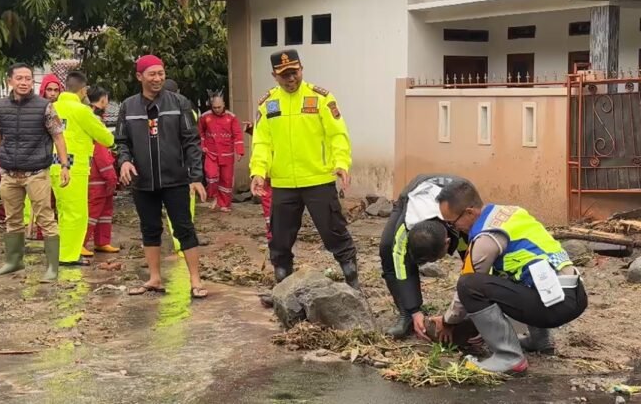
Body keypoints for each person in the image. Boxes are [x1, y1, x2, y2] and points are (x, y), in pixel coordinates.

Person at [408, 181, 587, 374]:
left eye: (452, 222)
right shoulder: (510, 213)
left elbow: (468, 286)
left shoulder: (486, 237)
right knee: (520, 275)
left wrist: (447, 321)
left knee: (469, 285)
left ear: (469, 212)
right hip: (574, 293)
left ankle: (509, 357)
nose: (454, 229)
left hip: (555, 306)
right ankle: (540, 341)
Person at [249, 49, 359, 288]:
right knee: (279, 238)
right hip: (283, 183)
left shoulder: (321, 98)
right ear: (274, 76)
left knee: (334, 232)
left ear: (302, 70)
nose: (291, 79)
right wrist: (258, 171)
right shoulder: (268, 104)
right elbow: (261, 143)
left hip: (318, 180)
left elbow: (337, 135)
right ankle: (282, 283)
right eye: (284, 75)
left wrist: (341, 163)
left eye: (294, 73)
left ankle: (351, 277)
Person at [0, 63, 70, 283]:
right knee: (13, 219)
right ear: (10, 81)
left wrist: (64, 165)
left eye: (28, 79)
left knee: (46, 218)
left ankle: (52, 268)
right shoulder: (1, 107)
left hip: (37, 172)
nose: (24, 82)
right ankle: (13, 261)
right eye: (20, 78)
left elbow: (58, 136)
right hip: (9, 172)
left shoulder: (45, 107)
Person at [115, 54, 208, 298]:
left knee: (184, 229)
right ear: (139, 76)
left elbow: (192, 142)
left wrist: (196, 176)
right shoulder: (128, 107)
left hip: (175, 179)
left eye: (160, 73)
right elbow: (121, 142)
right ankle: (154, 278)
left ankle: (196, 281)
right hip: (143, 181)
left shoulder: (179, 103)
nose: (157, 78)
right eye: (152, 74)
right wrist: (124, 161)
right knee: (150, 228)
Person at [380, 174, 471, 339]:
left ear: (447, 242)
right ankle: (406, 315)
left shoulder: (464, 221)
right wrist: (414, 310)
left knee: (474, 265)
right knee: (387, 251)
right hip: (410, 196)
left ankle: (473, 317)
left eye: (433, 259)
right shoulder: (406, 226)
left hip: (454, 198)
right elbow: (400, 262)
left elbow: (475, 265)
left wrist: (459, 315)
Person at [51, 71, 115, 266]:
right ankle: (68, 256)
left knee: (62, 211)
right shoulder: (82, 111)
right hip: (74, 166)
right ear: (84, 90)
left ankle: (63, 251)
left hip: (52, 164)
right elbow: (107, 138)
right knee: (77, 213)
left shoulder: (51, 107)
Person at [24, 73, 63, 240]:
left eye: (56, 90)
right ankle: (34, 231)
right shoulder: (36, 108)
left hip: (57, 161)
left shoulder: (62, 110)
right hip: (38, 161)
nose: (53, 93)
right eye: (49, 89)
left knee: (55, 204)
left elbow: (60, 137)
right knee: (38, 201)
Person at [161, 78, 198, 255]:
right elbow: (193, 141)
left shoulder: (153, 110)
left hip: (163, 168)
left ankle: (178, 243)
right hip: (183, 168)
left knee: (170, 212)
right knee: (184, 209)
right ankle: (183, 245)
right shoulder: (187, 110)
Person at [83, 86, 120, 256]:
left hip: (99, 174)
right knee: (93, 211)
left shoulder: (91, 115)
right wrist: (110, 174)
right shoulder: (93, 119)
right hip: (97, 175)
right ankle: (81, 242)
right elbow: (100, 149)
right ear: (103, 99)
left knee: (105, 211)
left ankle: (102, 241)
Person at [199, 90, 244, 212]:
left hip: (227, 154)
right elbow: (200, 132)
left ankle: (224, 204)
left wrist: (239, 151)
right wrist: (202, 145)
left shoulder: (231, 117)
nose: (217, 109)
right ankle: (214, 197)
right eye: (214, 107)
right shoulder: (205, 117)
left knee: (226, 179)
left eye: (219, 107)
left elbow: (237, 134)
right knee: (211, 176)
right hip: (211, 153)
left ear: (224, 104)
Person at [244, 121, 272, 241]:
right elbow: (262, 139)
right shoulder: (267, 109)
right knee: (268, 206)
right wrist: (252, 129)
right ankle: (272, 234)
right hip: (265, 173)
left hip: (285, 173)